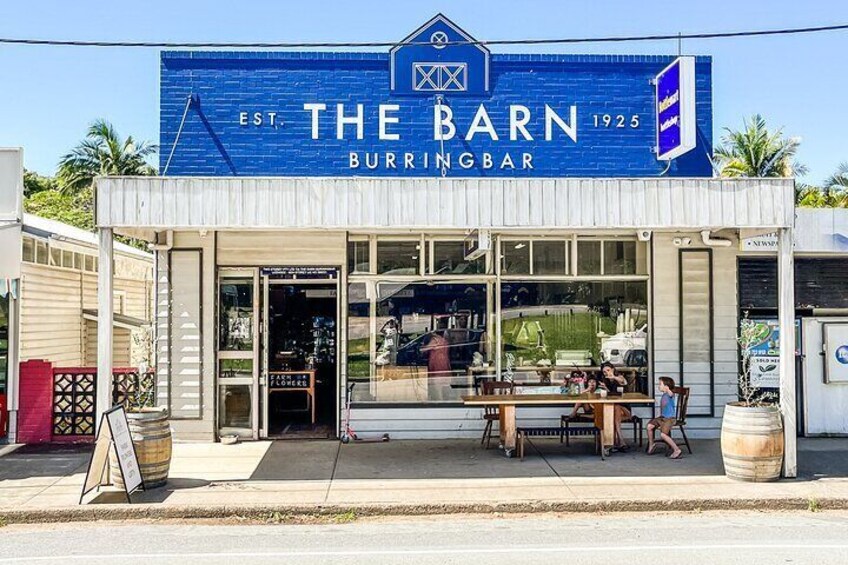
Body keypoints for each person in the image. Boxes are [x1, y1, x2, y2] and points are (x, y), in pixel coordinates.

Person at [599, 362, 631, 450]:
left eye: (608, 370)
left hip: (625, 410)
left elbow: (622, 381)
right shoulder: (607, 381)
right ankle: (615, 442)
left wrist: (613, 377)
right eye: (604, 372)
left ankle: (618, 441)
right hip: (613, 409)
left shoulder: (619, 377)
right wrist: (605, 388)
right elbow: (611, 395)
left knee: (616, 407)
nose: (606, 373)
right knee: (610, 412)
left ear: (613, 369)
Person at [647, 376, 682, 459]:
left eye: (660, 384)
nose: (658, 386)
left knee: (663, 434)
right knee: (649, 426)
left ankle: (676, 449)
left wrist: (668, 390)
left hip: (670, 419)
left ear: (666, 386)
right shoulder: (664, 395)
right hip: (662, 418)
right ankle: (652, 444)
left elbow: (671, 394)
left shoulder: (670, 394)